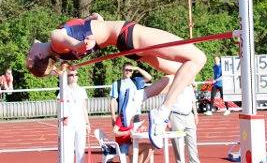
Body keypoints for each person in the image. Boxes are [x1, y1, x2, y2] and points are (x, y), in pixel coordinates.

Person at [26, 12, 207, 149]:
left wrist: (93, 21)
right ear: (40, 55)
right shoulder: (56, 39)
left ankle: (140, 96)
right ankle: (162, 112)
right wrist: (80, 45)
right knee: (198, 58)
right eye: (30, 55)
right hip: (129, 34)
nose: (29, 50)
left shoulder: (61, 53)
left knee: (183, 75)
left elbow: (85, 32)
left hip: (127, 44)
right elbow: (69, 39)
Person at [57, 70, 91, 163]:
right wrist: (64, 117)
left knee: (80, 149)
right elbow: (59, 105)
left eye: (76, 74)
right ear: (67, 77)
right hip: (68, 124)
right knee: (68, 149)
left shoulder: (82, 90)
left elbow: (84, 107)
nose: (74, 76)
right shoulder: (63, 90)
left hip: (80, 123)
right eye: (71, 75)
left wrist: (87, 123)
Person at [170, 84, 200, 163]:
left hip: (189, 115)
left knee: (192, 142)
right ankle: (180, 162)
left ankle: (194, 161)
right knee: (178, 144)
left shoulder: (189, 86)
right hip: (176, 115)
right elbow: (167, 102)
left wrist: (196, 114)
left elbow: (193, 101)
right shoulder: (173, 84)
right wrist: (167, 119)